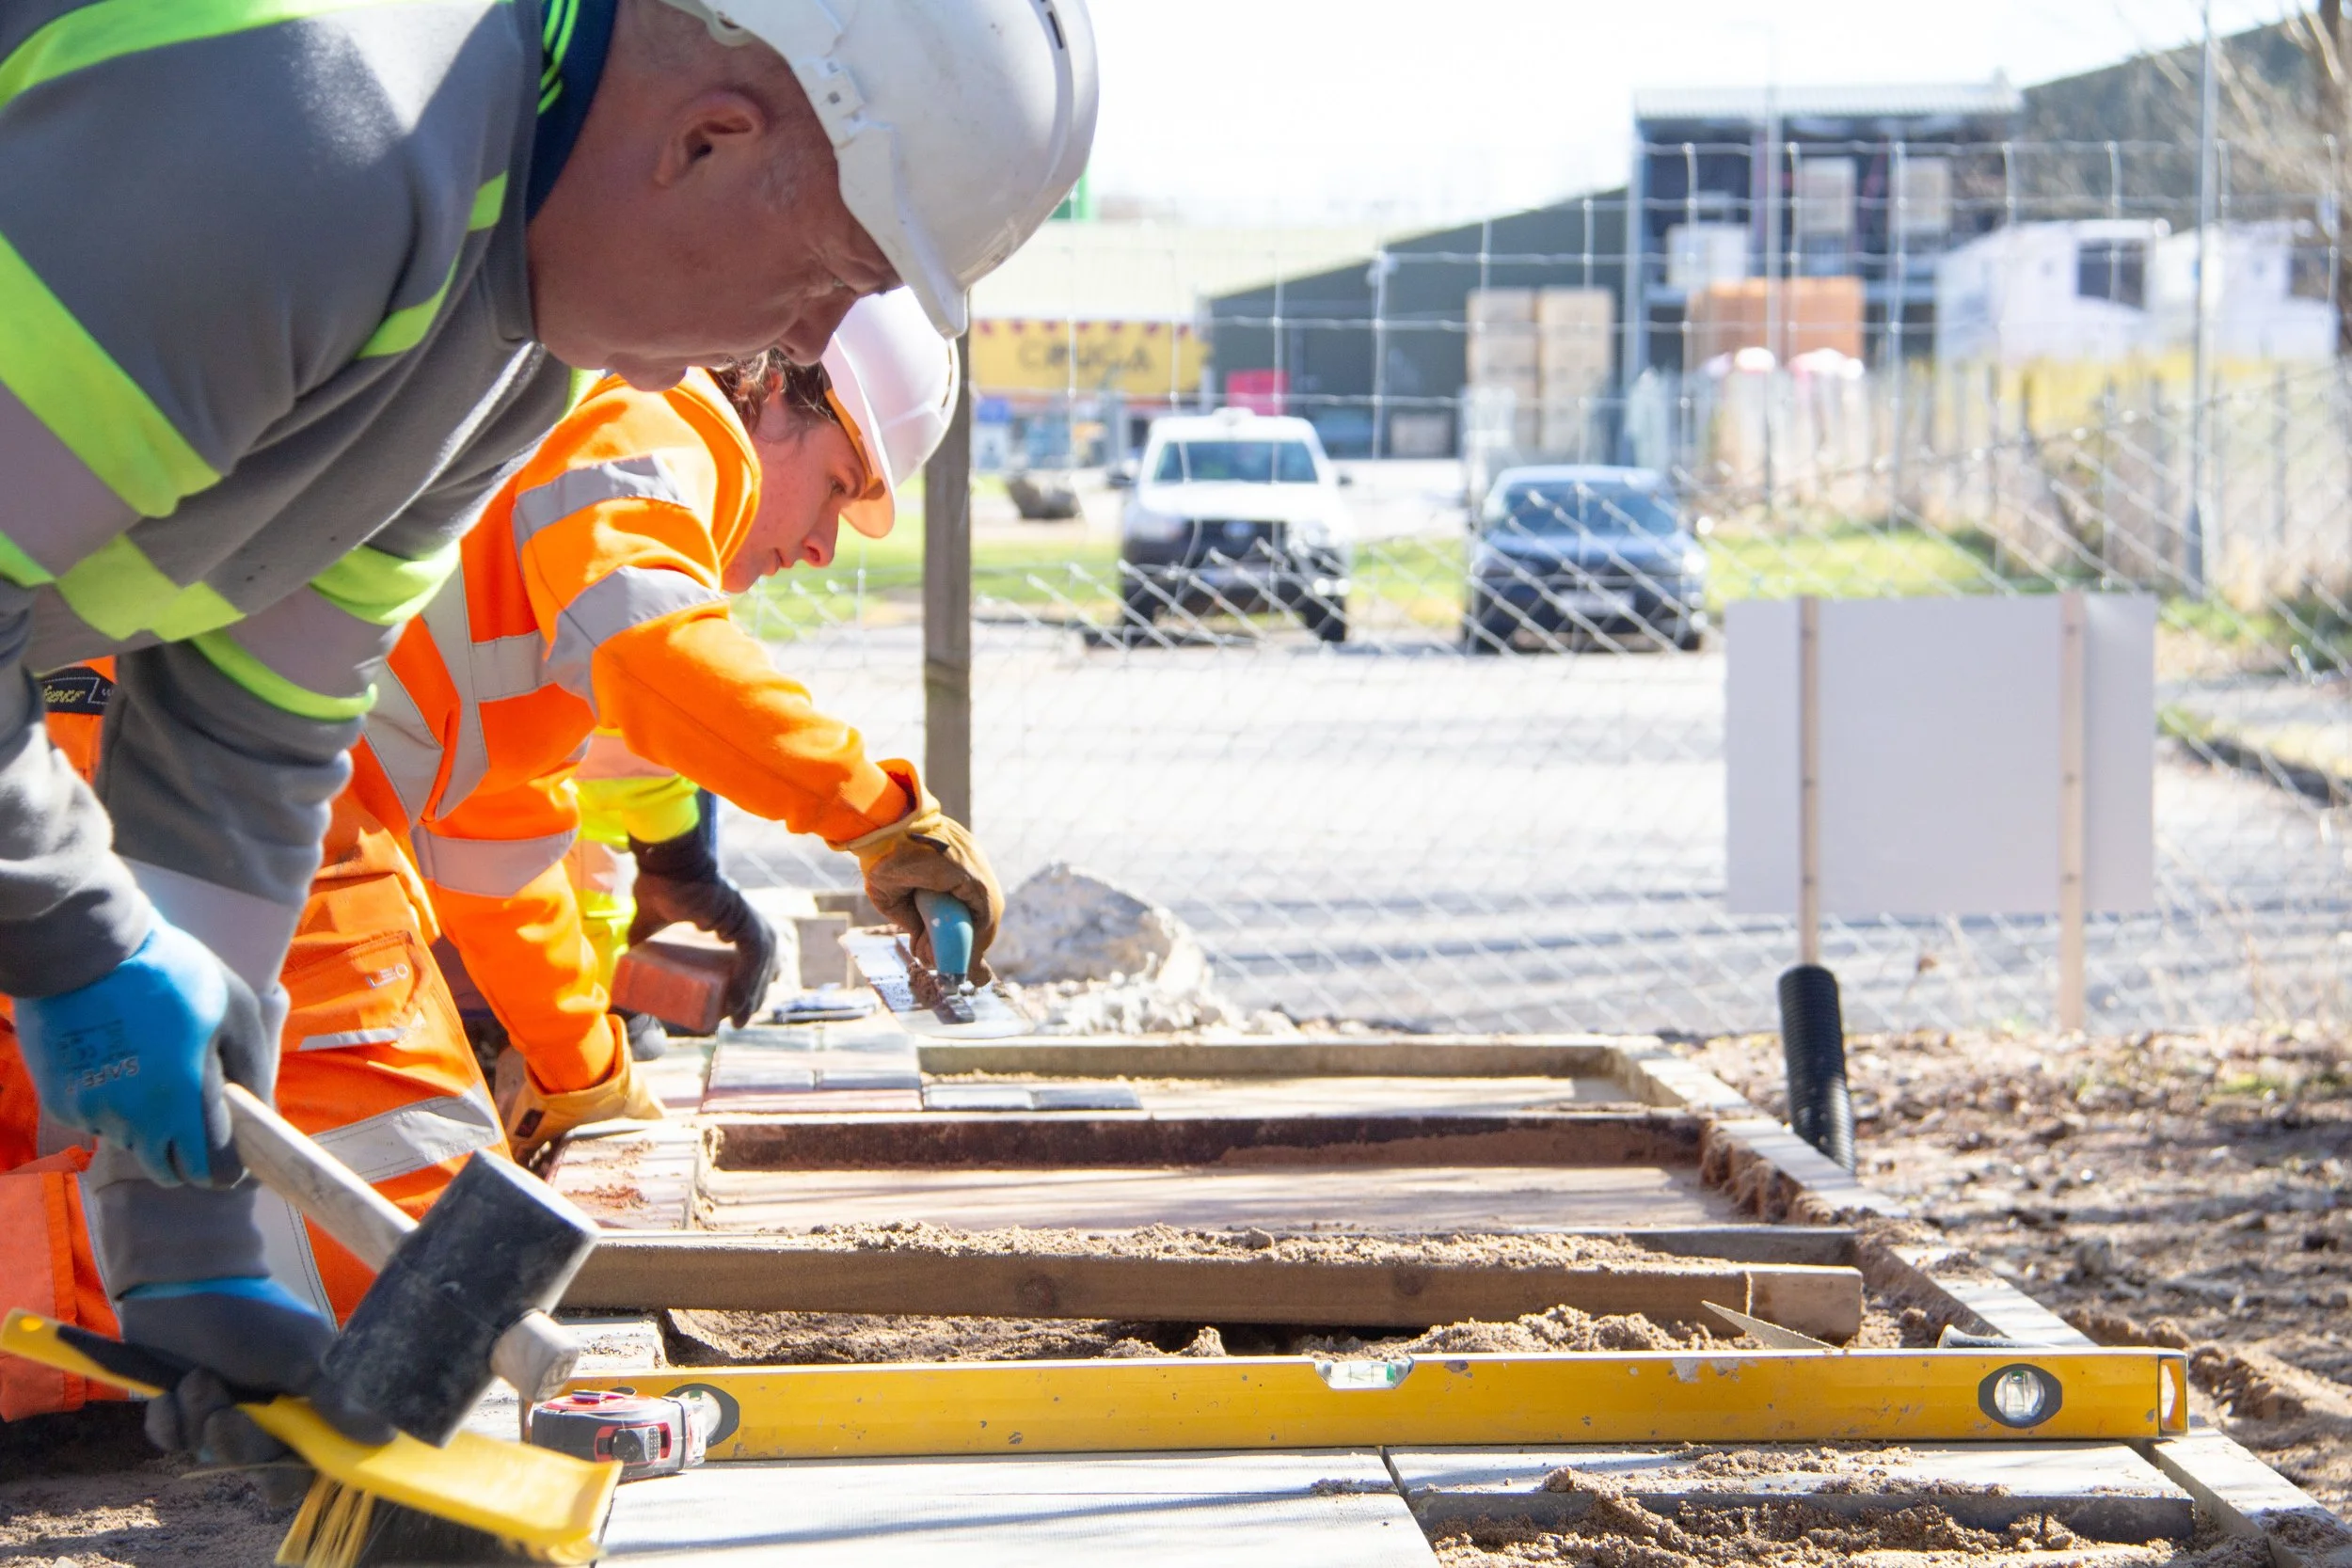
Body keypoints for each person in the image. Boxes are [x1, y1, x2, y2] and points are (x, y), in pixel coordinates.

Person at [0, 0, 1095, 1456]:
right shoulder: (317, 136)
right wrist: (81, 936)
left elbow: (248, 732)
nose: (812, 341)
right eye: (832, 277)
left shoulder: (520, 347)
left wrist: (184, 1229)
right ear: (709, 137)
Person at [356, 286, 1002, 1161]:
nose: (822, 546)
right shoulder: (654, 417)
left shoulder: (534, 598)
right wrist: (879, 817)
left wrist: (580, 1073)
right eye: (835, 486)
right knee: (392, 1187)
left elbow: (494, 844)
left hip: (243, 794)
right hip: (251, 799)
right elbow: (652, 650)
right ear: (777, 390)